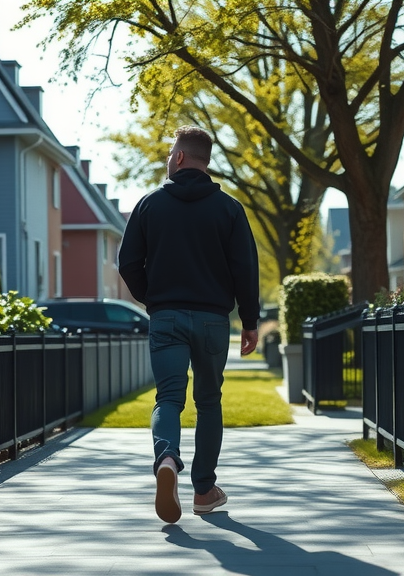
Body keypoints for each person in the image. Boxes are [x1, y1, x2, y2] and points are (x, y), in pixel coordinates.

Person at [118, 125, 260, 524]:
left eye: (170, 152)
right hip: (214, 320)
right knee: (209, 401)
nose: (168, 158)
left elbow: (127, 263)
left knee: (168, 399)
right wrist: (250, 321)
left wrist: (154, 299)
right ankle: (203, 491)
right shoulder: (230, 209)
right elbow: (245, 269)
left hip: (167, 318)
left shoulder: (149, 205)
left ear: (179, 157)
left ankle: (166, 459)